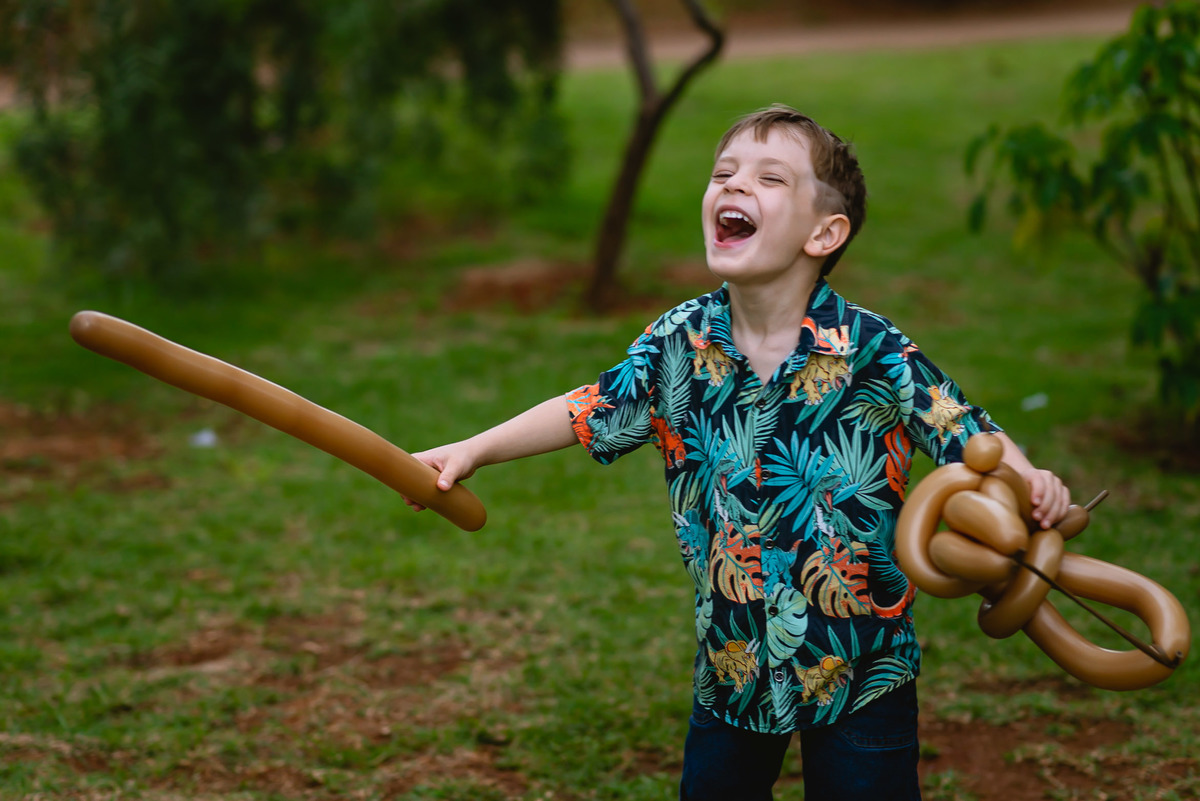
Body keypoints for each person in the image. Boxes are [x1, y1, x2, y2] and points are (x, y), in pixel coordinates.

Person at [406, 104, 1071, 801]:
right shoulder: (678, 340)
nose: (734, 185)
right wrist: (473, 449)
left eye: (769, 178)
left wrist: (1033, 482)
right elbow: (589, 408)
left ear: (825, 231)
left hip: (863, 671)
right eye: (723, 172)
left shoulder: (875, 351)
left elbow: (966, 430)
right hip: (732, 666)